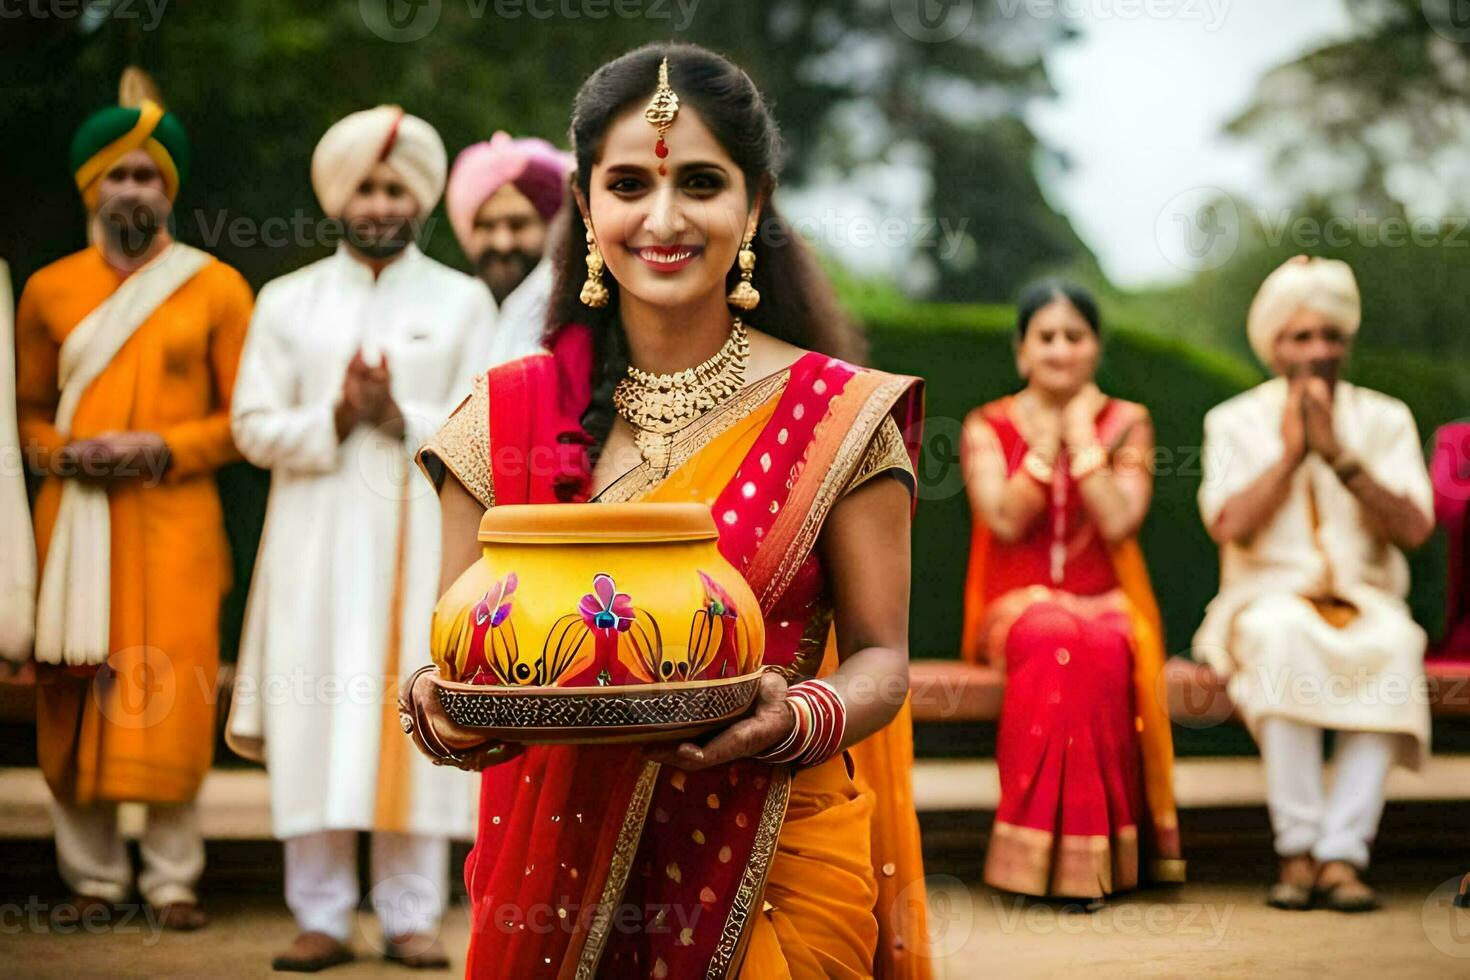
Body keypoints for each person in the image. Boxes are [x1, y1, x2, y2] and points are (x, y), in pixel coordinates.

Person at [399, 43, 935, 978]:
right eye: (628, 185)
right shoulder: (503, 417)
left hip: (774, 858)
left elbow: (883, 660)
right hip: (548, 890)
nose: (664, 218)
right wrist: (436, 712)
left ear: (755, 203)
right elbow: (458, 660)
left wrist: (797, 717)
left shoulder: (840, 416)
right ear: (583, 203)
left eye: (700, 182)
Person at [225, 105, 491, 971]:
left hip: (426, 536)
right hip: (314, 542)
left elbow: (484, 427)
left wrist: (395, 415)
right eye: (365, 188)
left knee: (418, 707)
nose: (379, 202)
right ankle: (322, 915)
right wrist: (337, 415)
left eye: (394, 187)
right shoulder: (287, 300)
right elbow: (251, 427)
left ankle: (412, 915)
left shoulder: (461, 301)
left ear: (416, 198)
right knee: (315, 714)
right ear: (340, 198)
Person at [5, 79, 253, 931]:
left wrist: (160, 449)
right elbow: (24, 413)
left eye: (149, 176)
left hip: (175, 524)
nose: (134, 191)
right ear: (92, 187)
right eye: (119, 176)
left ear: (169, 190)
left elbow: (244, 422)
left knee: (174, 695)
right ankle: (92, 878)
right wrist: (60, 454)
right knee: (75, 691)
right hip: (71, 523)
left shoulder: (217, 288)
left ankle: (175, 879)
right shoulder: (47, 291)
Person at [1195, 255, 1435, 912]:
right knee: (1280, 636)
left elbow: (1415, 528)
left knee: (1395, 644)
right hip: (1263, 600)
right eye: (1301, 336)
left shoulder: (1385, 419)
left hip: (1366, 601)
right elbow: (1228, 524)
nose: (1318, 350)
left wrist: (1340, 455)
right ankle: (1297, 849)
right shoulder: (1234, 421)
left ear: (1347, 343)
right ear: (1274, 345)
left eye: (1331, 335)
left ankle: (1340, 855)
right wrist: (1294, 452)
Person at [958, 281, 1184, 905]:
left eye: (1074, 336)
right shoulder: (987, 424)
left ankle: (1096, 864)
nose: (1060, 350)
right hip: (1014, 608)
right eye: (1046, 337)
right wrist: (1047, 445)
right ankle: (1033, 861)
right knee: (1055, 634)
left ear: (1095, 349)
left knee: (1107, 643)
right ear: (1022, 351)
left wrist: (1083, 439)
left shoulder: (1128, 422)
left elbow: (1119, 521)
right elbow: (1002, 518)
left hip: (1106, 604)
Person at [445, 131, 573, 365]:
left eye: (518, 225)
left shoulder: (574, 314)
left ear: (552, 227)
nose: (502, 243)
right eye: (486, 226)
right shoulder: (446, 308)